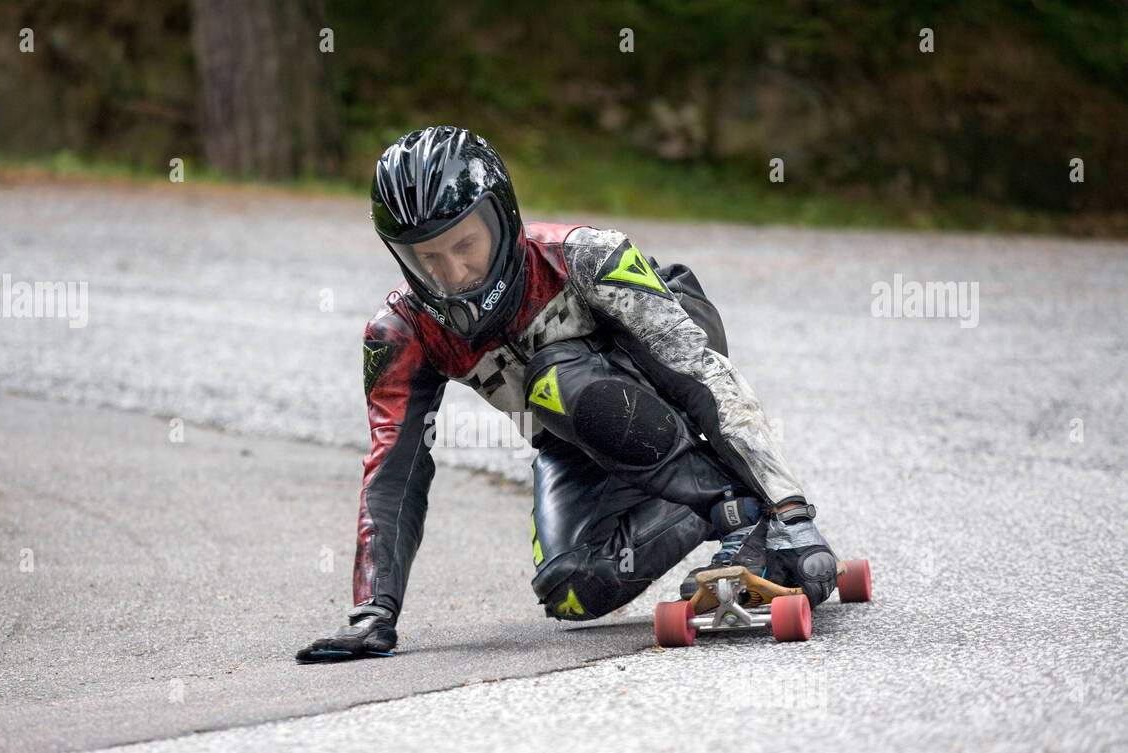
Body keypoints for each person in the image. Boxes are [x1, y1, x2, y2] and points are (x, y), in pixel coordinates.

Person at [295, 126, 838, 663]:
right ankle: (726, 507)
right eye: (426, 260)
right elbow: (395, 471)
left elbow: (700, 374)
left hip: (662, 380)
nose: (454, 274)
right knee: (572, 587)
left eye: (465, 245)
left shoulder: (586, 258)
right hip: (569, 441)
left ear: (503, 219)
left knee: (554, 380)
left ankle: (744, 513)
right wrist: (374, 612)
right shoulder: (402, 332)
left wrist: (790, 511)